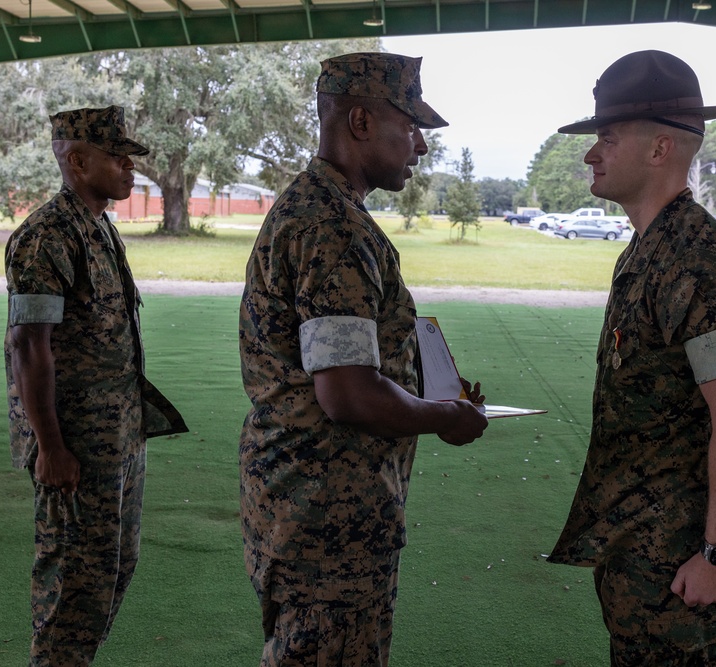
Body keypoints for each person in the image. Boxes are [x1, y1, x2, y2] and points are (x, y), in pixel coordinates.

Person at [239, 52, 489, 666]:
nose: (421, 146)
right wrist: (443, 417)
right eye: (410, 125)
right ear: (359, 121)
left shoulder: (322, 211)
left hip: (310, 501)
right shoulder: (332, 228)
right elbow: (347, 393)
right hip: (328, 513)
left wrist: (427, 390)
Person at [546, 50, 716, 665]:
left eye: (607, 137)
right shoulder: (652, 250)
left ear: (659, 151)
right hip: (644, 550)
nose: (592, 153)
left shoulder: (702, 267)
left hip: (680, 559)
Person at [5, 105, 187, 666]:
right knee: (72, 592)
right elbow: (28, 345)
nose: (131, 167)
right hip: (75, 448)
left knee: (109, 574)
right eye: (118, 156)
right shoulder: (46, 237)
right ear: (78, 161)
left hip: (117, 439)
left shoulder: (98, 228)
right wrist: (52, 448)